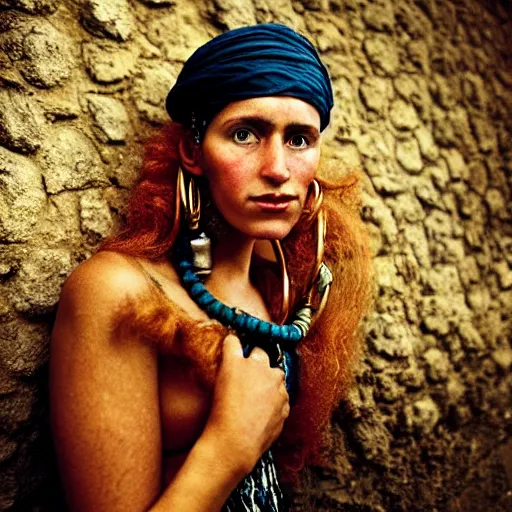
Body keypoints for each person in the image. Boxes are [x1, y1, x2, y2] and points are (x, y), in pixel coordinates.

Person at [50, 23, 371, 512]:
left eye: (300, 139)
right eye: (245, 133)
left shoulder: (281, 287)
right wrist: (230, 446)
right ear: (192, 150)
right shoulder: (119, 292)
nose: (279, 169)